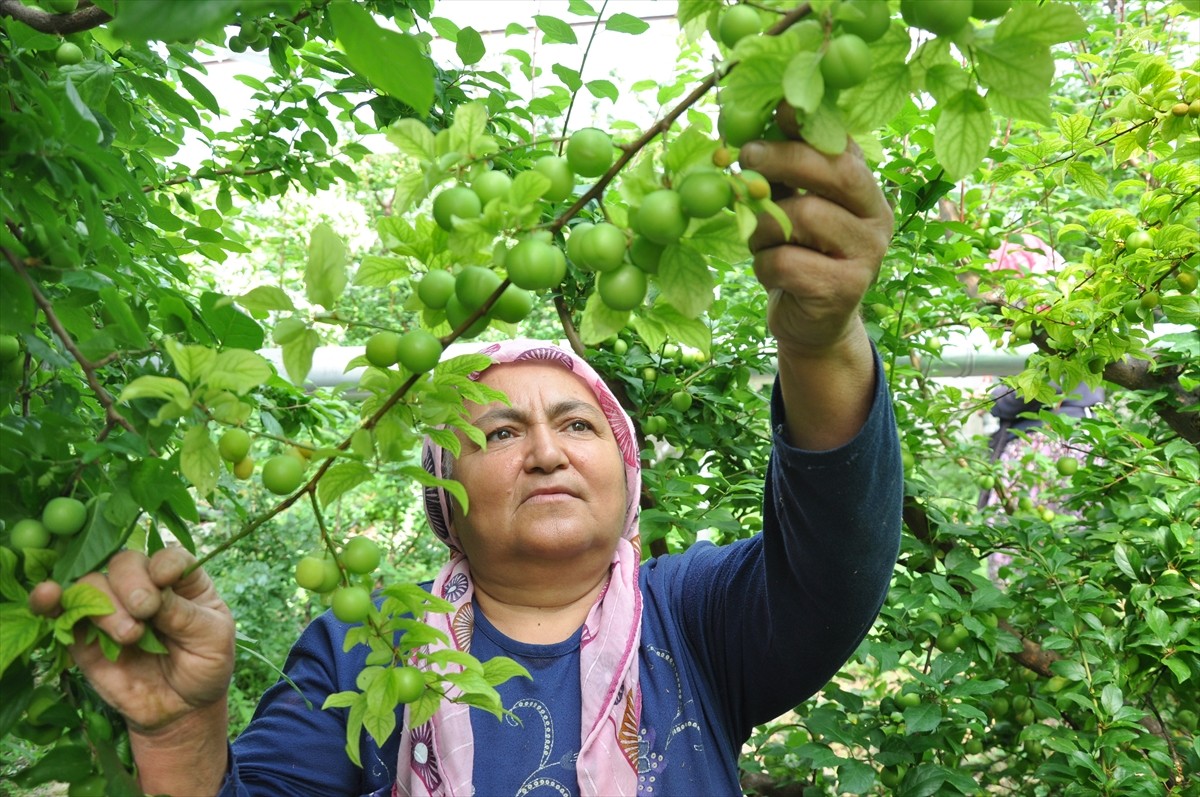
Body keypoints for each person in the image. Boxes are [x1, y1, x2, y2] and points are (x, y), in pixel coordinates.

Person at [29, 131, 903, 796]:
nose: (548, 450)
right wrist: (183, 734)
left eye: (578, 424)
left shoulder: (697, 619)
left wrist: (821, 343)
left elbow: (834, 559)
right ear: (446, 496)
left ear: (628, 477)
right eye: (497, 433)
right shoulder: (362, 645)